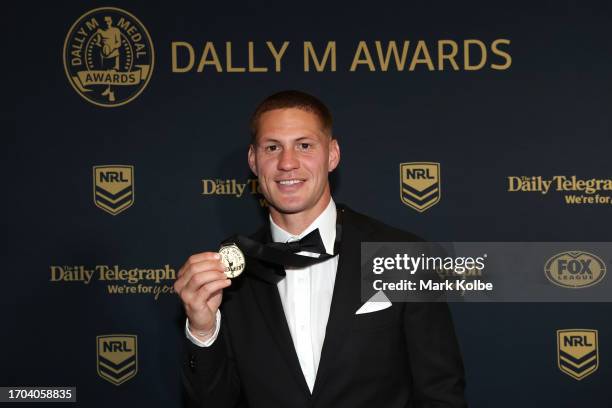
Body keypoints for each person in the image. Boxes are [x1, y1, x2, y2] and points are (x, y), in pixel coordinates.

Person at [174, 90, 466, 407]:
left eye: (304, 145)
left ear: (332, 155)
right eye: (273, 148)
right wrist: (203, 331)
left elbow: (441, 393)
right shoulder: (228, 274)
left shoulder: (405, 256)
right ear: (253, 160)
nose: (287, 163)